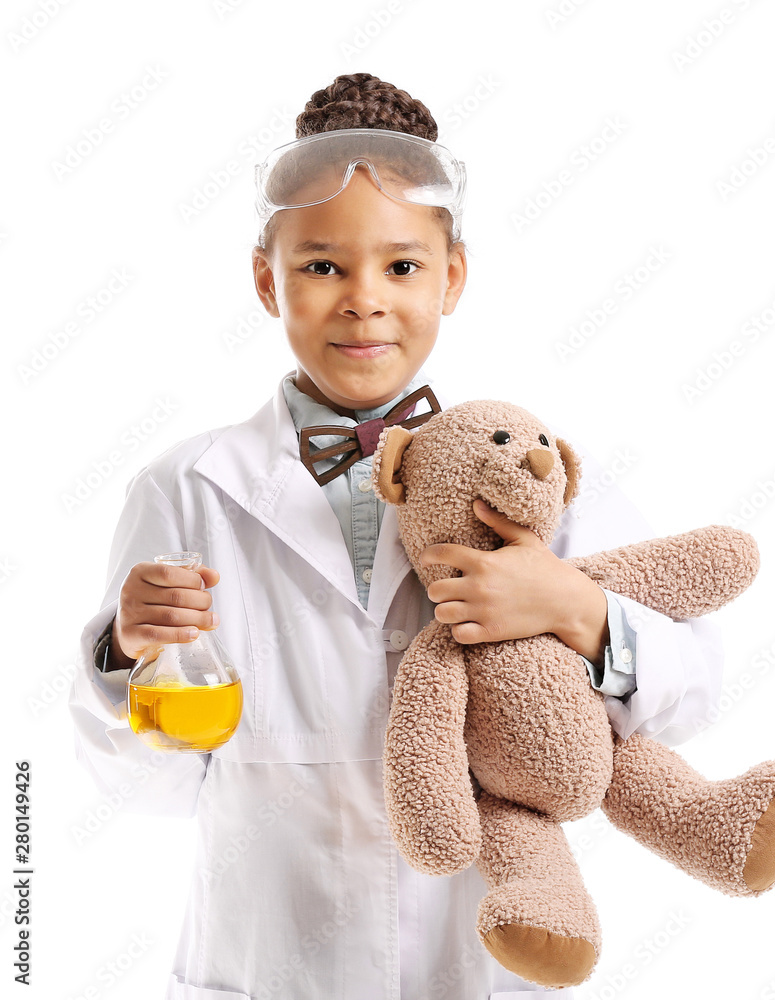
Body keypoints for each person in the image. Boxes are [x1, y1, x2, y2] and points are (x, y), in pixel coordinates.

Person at [69, 72, 722, 1000]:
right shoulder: (186, 487)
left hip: (476, 950)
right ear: (268, 280)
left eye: (403, 266)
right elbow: (141, 790)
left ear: (452, 277)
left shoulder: (535, 472)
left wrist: (574, 607)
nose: (363, 299)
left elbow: (689, 699)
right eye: (321, 265)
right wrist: (125, 654)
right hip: (270, 954)